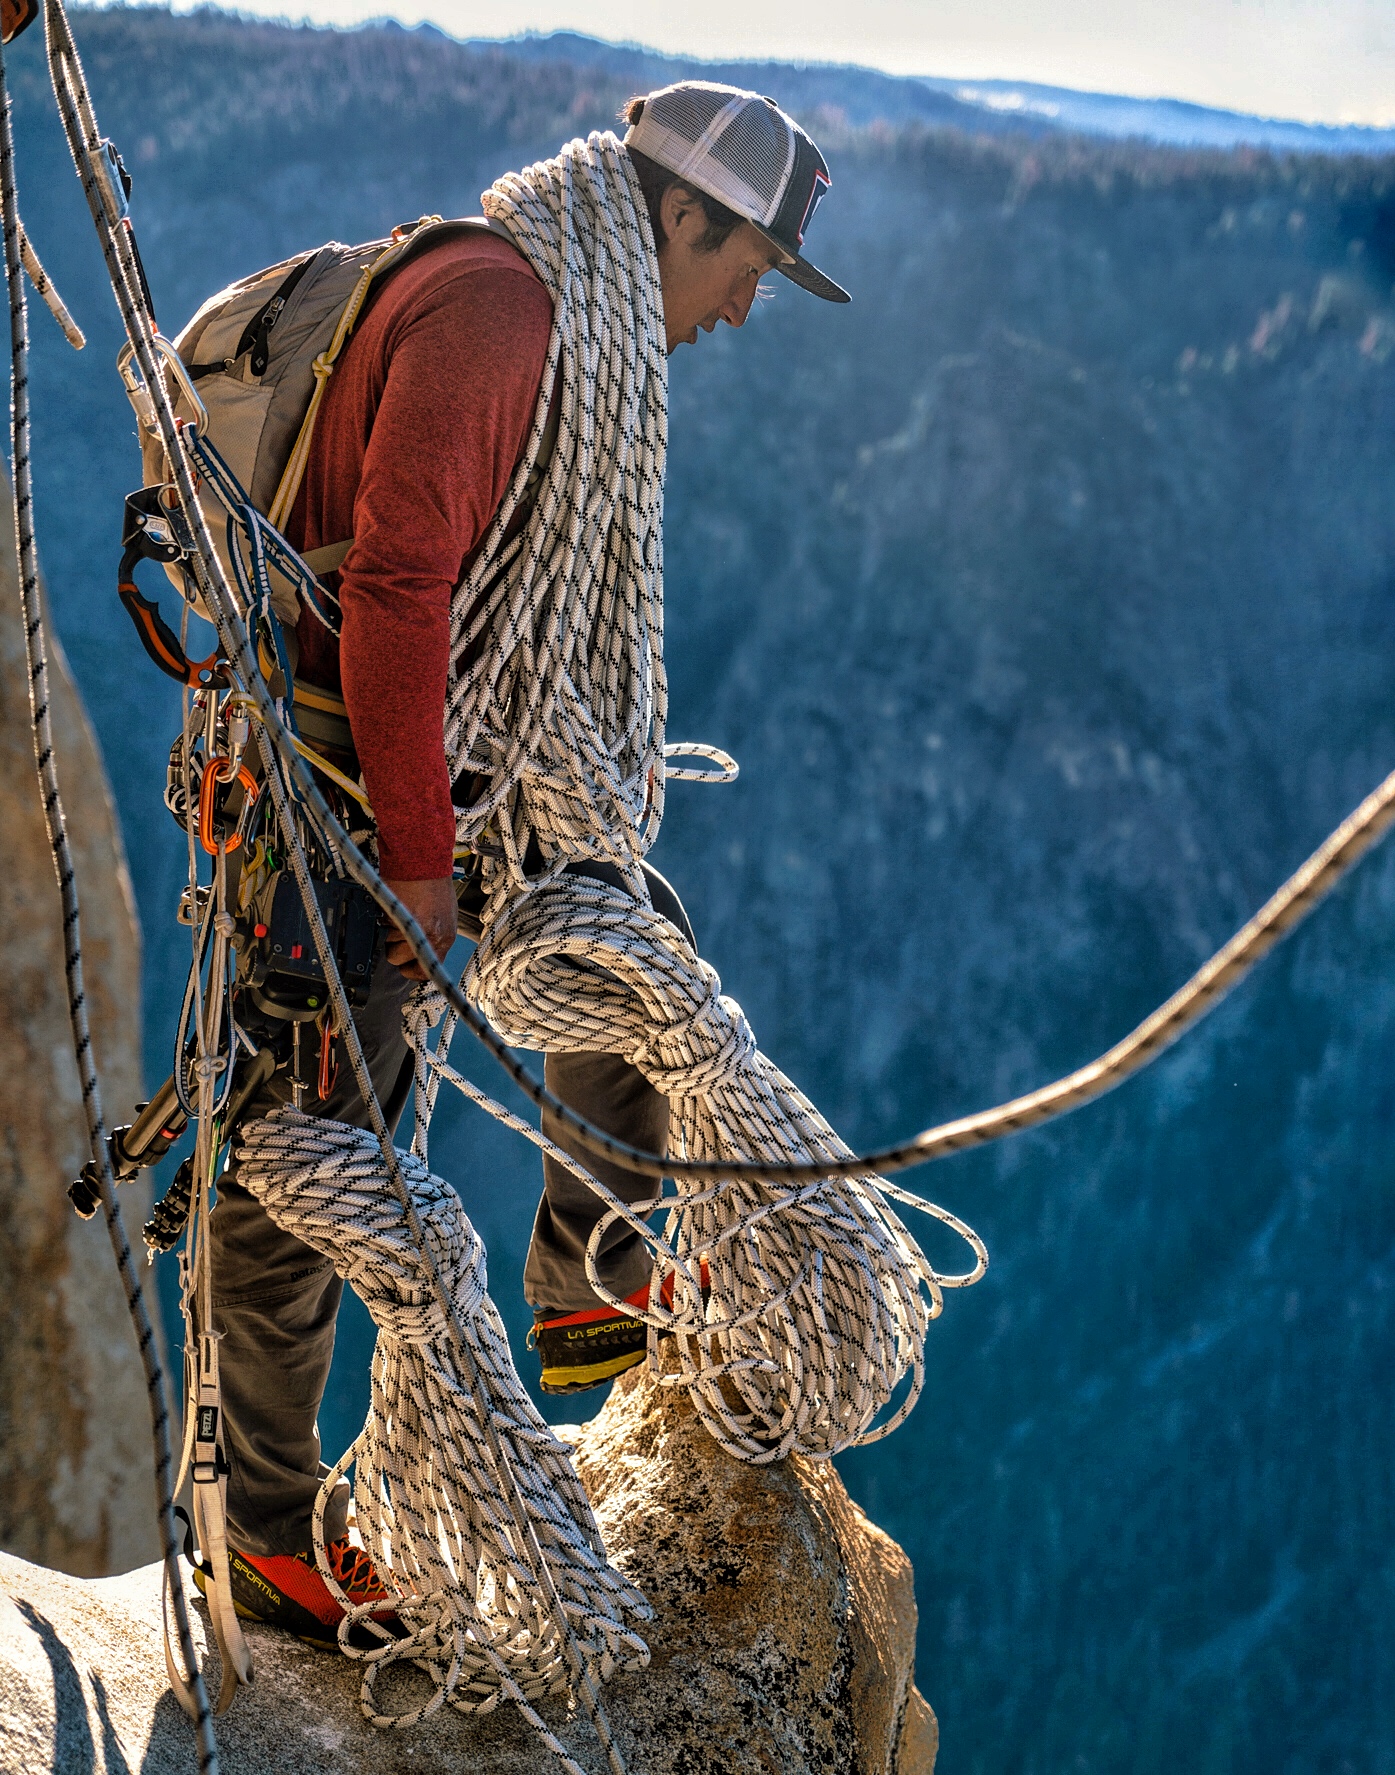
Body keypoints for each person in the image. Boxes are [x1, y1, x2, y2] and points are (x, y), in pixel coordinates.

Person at [200, 79, 848, 1647]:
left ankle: (588, 1284)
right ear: (676, 215)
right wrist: (421, 858)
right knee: (313, 1143)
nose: (747, 306)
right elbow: (403, 589)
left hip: (428, 758)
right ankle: (267, 1537)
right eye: (746, 262)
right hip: (344, 778)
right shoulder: (503, 311)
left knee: (620, 939)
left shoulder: (559, 303)